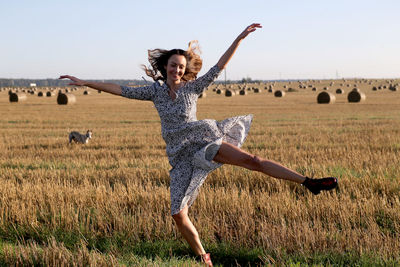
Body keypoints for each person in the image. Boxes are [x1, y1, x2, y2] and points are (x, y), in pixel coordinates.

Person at [59, 23, 337, 266]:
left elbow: (219, 66)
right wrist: (84, 82)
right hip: (180, 155)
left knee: (251, 160)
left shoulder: (192, 87)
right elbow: (120, 90)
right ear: (165, 67)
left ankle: (308, 182)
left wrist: (239, 38)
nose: (177, 69)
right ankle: (203, 256)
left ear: (185, 69)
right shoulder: (153, 92)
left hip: (203, 141)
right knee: (178, 214)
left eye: (181, 66)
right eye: (173, 65)